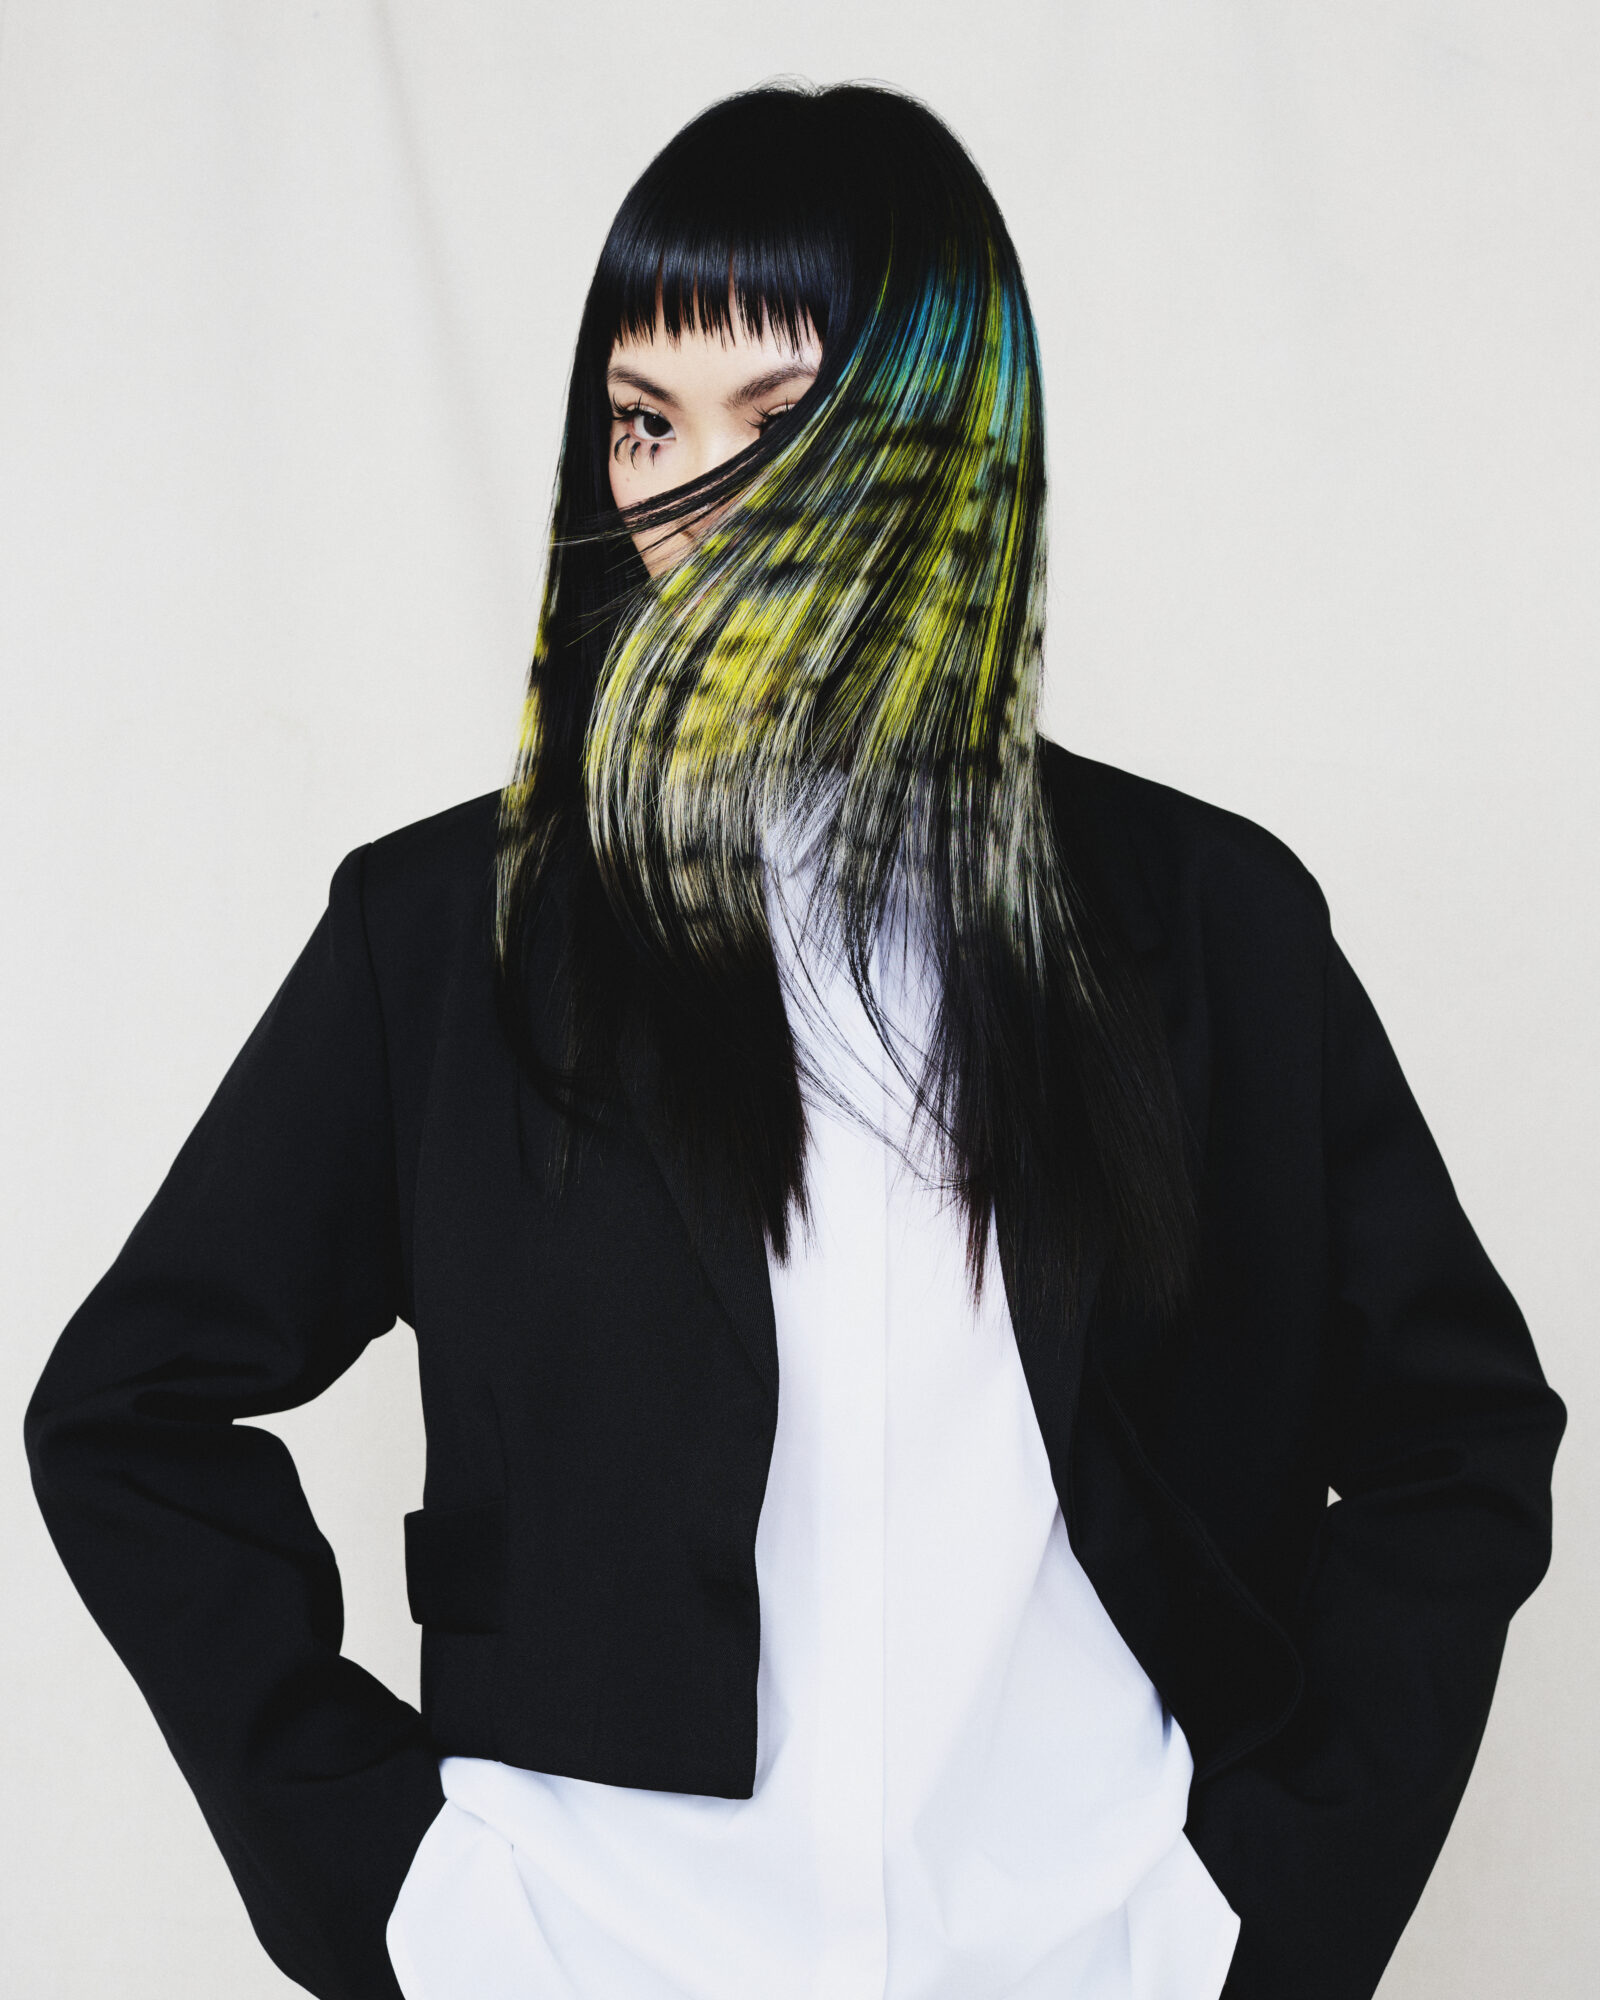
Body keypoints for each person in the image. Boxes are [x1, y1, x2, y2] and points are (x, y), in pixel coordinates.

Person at [23, 79, 1564, 2000]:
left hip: (1093, 1957)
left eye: (780, 424)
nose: (693, 504)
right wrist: (406, 1899)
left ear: (948, 449)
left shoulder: (1212, 925)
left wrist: (1263, 1908)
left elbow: (1456, 1436)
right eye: (646, 424)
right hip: (588, 1959)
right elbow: (127, 1414)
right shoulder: (446, 939)